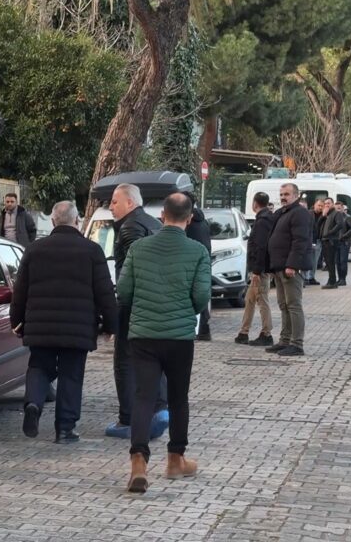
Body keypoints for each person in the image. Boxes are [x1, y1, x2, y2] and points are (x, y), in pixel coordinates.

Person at [118, 193, 210, 493]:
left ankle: (138, 463)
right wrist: (185, 311)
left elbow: (124, 291)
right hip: (179, 337)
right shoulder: (197, 251)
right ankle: (175, 459)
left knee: (144, 396)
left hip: (143, 334)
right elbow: (201, 296)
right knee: (178, 397)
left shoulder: (139, 248)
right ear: (190, 218)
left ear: (162, 216)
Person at [11, 201, 118, 444]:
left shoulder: (34, 250)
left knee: (39, 367)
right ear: (77, 221)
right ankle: (65, 429)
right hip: (78, 327)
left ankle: (33, 404)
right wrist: (111, 325)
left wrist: (17, 321)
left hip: (40, 325)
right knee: (71, 375)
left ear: (52, 221)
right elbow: (105, 292)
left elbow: (20, 291)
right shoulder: (92, 250)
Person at [104, 183, 165, 441]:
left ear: (130, 202)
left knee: (125, 360)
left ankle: (128, 419)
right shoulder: (154, 224)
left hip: (134, 304)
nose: (110, 206)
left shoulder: (130, 227)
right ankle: (160, 409)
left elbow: (135, 267)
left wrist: (125, 300)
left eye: (114, 201)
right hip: (157, 302)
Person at [265, 184, 313, 357]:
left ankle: (297, 344)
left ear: (296, 195)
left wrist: (292, 265)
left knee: (293, 305)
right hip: (279, 266)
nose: (283, 197)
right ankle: (285, 340)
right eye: (281, 194)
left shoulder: (299, 213)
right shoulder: (283, 212)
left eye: (286, 194)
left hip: (290, 267)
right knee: (283, 305)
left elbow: (300, 241)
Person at [235, 192, 275, 347]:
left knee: (262, 299)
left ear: (254, 203)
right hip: (261, 268)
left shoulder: (262, 221)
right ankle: (243, 332)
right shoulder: (267, 218)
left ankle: (267, 333)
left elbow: (260, 247)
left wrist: (256, 271)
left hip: (260, 269)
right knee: (250, 299)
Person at [185, 194, 212, 342]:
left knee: (193, 296)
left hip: (193, 263)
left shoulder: (189, 223)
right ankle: (204, 329)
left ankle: (198, 330)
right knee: (200, 295)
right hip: (204, 262)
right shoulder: (203, 221)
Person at [319, 198, 344, 289]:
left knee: (331, 262)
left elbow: (340, 224)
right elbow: (318, 225)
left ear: (333, 204)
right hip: (325, 240)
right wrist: (323, 215)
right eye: (325, 203)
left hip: (331, 241)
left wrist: (330, 233)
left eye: (328, 203)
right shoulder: (327, 215)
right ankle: (331, 280)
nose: (327, 205)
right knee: (328, 263)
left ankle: (332, 281)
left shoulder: (336, 213)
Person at [335, 202, 351, 286]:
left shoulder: (347, 217)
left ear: (342, 208)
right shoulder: (335, 217)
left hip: (344, 242)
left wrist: (344, 236)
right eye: (336, 208)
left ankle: (343, 279)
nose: (337, 210)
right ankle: (339, 278)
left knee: (343, 261)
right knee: (337, 261)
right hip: (336, 242)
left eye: (339, 208)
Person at [303, 199, 323, 285]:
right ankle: (305, 278)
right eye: (319, 205)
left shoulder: (323, 215)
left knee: (315, 261)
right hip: (309, 240)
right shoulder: (309, 213)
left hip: (318, 240)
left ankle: (311, 277)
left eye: (321, 206)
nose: (320, 207)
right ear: (314, 205)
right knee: (308, 259)